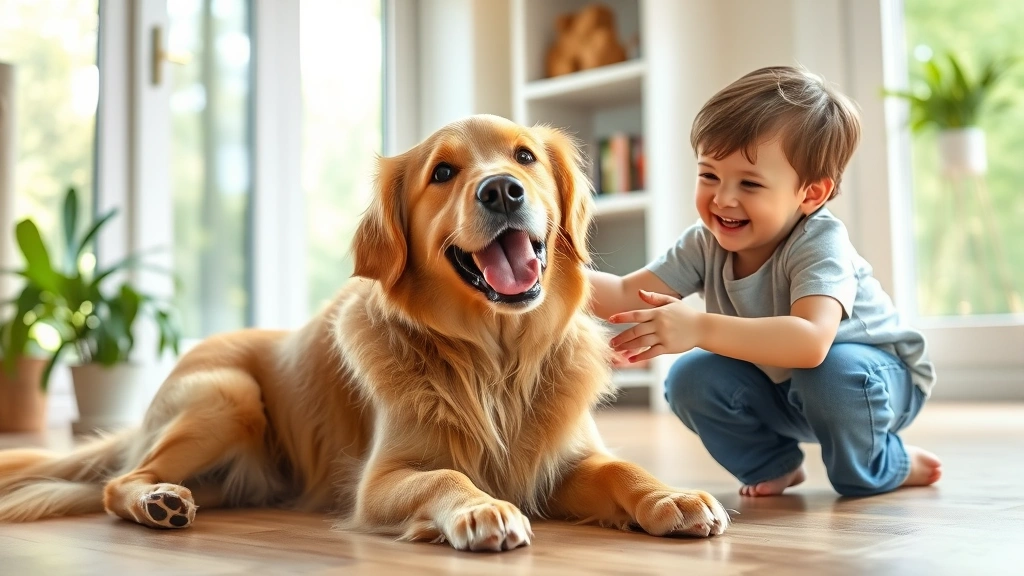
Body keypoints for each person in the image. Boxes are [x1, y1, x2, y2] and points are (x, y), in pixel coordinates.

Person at [587, 65, 942, 497]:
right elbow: (625, 293)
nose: (723, 198)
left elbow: (811, 341)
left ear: (811, 194)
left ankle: (886, 463)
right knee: (689, 378)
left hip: (873, 386)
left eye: (749, 183)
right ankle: (771, 463)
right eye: (709, 175)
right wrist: (546, 271)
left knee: (831, 374)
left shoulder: (820, 242)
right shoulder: (704, 243)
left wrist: (698, 327)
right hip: (787, 390)